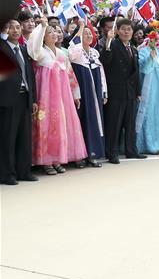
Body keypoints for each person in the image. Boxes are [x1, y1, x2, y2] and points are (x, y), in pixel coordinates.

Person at [28, 18, 89, 174]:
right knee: (46, 125)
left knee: (61, 125)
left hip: (62, 96)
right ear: (42, 36)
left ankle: (57, 158)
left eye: (55, 31)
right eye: (50, 32)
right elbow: (34, 47)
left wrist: (76, 94)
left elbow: (70, 75)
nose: (54, 34)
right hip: (46, 96)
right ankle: (46, 160)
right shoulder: (40, 52)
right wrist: (42, 26)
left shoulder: (61, 53)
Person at [100, 18, 146, 164]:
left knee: (130, 123)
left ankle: (131, 150)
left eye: (129, 29)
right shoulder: (113, 45)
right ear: (117, 31)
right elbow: (105, 60)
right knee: (114, 124)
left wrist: (138, 92)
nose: (126, 32)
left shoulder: (133, 49)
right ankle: (112, 153)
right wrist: (108, 41)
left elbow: (136, 72)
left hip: (130, 92)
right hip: (116, 91)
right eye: (123, 29)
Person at [0, 19, 38, 185]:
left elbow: (30, 76)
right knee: (8, 137)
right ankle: (7, 174)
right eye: (10, 28)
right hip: (8, 99)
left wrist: (33, 99)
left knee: (25, 137)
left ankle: (24, 171)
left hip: (25, 97)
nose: (15, 30)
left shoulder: (23, 49)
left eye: (17, 27)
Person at [67, 22, 106, 166]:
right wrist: (81, 27)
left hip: (95, 93)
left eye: (90, 33)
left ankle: (93, 153)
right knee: (83, 120)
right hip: (83, 93)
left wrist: (104, 92)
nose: (89, 36)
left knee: (95, 120)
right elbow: (73, 49)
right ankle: (80, 155)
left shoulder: (95, 53)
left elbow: (101, 73)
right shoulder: (76, 53)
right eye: (85, 33)